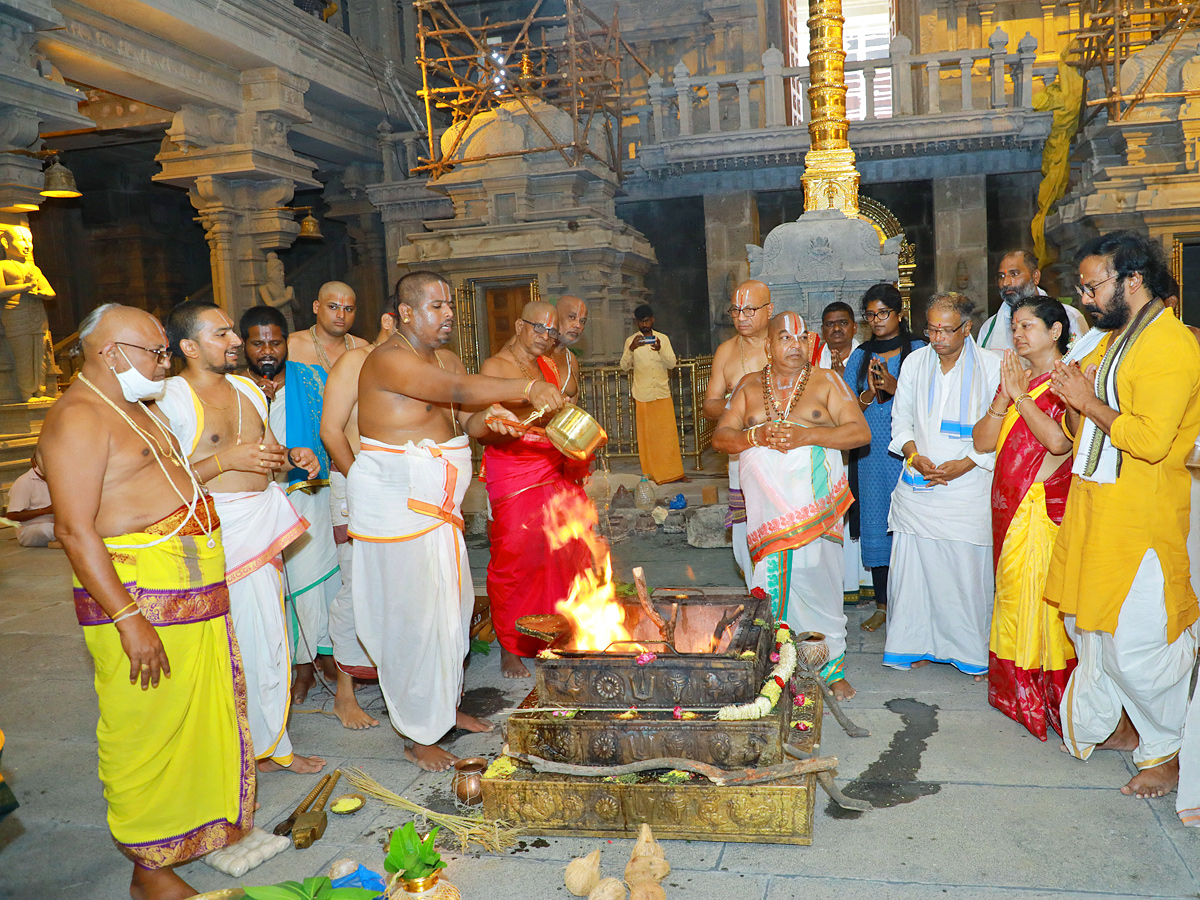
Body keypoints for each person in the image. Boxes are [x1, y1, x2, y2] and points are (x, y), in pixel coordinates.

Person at [37, 304, 251, 900]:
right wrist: (127, 619)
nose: (164, 361)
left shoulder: (138, 405)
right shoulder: (78, 417)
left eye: (164, 350)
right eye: (154, 352)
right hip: (139, 596)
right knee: (143, 729)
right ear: (109, 353)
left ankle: (185, 836)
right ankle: (147, 871)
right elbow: (75, 530)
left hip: (190, 584)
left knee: (194, 720)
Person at [352, 271, 567, 770]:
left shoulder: (443, 357)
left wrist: (489, 421)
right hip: (402, 513)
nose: (448, 314)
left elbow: (459, 418)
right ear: (406, 312)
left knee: (450, 617)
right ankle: (417, 733)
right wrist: (528, 386)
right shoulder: (389, 359)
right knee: (413, 621)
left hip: (439, 511)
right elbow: (453, 387)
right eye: (436, 306)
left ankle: (443, 711)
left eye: (450, 305)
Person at [1044, 230, 1200, 800]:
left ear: (1132, 280)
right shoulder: (1118, 340)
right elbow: (1094, 424)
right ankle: (1127, 723)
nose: (1085, 299)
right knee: (1092, 627)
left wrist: (1086, 401)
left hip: (1142, 514)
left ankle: (1170, 749)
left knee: (1135, 640)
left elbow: (1153, 440)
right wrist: (1077, 398)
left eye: (1092, 286)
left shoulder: (1169, 344)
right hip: (1100, 507)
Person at [158, 300, 325, 775]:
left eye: (233, 332)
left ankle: (271, 742)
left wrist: (294, 456)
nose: (235, 341)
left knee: (270, 639)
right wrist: (225, 460)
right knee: (233, 647)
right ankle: (240, 748)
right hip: (214, 534)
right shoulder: (169, 399)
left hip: (259, 524)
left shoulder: (248, 389)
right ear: (188, 347)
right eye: (221, 334)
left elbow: (267, 450)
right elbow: (160, 482)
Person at [713, 312, 870, 699]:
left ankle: (831, 668)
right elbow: (722, 437)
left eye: (802, 338)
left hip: (812, 507)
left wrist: (807, 436)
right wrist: (757, 433)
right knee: (767, 586)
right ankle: (773, 665)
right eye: (785, 337)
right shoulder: (749, 387)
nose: (795, 345)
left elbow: (859, 432)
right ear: (768, 346)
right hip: (768, 514)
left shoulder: (827, 381)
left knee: (821, 585)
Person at [971, 297, 1076, 740]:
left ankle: (1042, 692)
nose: (1017, 334)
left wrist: (1019, 397)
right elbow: (982, 442)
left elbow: (1058, 443)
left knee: (1035, 599)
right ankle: (1011, 688)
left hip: (1038, 509)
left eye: (1028, 326)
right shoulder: (1019, 379)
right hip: (1006, 504)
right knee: (1011, 595)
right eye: (1014, 326)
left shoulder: (1067, 380)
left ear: (1055, 331)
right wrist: (1003, 399)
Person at [884, 292, 1002, 679]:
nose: (936, 338)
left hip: (967, 490)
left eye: (945, 330)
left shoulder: (991, 366)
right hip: (918, 486)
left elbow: (1002, 431)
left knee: (965, 575)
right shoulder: (916, 362)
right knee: (914, 574)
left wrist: (966, 464)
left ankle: (966, 650)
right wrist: (913, 454)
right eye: (930, 329)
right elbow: (900, 420)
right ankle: (912, 644)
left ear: (967, 329)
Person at [481, 300, 594, 679]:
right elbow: (484, 420)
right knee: (516, 556)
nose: (546, 337)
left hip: (551, 458)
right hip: (514, 466)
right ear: (518, 325)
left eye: (550, 331)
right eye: (538, 329)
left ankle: (552, 633)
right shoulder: (496, 367)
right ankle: (510, 645)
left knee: (563, 551)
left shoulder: (547, 364)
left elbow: (560, 415)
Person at [244, 304, 341, 704]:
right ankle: (298, 667)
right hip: (260, 499)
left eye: (275, 341)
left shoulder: (311, 377)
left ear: (287, 342)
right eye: (258, 342)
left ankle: (327, 656)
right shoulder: (235, 389)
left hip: (309, 492)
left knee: (316, 581)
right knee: (279, 587)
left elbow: (331, 428)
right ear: (245, 346)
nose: (267, 350)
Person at [318, 304, 397, 729]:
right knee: (356, 585)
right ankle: (344, 695)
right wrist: (361, 479)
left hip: (401, 493)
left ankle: (393, 678)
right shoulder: (357, 361)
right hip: (356, 485)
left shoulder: (413, 365)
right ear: (390, 319)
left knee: (396, 587)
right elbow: (331, 430)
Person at [842, 284, 925, 633]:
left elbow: (929, 400)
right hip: (872, 455)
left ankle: (914, 606)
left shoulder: (919, 350)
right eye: (870, 314)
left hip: (909, 452)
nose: (876, 321)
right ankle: (882, 605)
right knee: (876, 522)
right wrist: (868, 393)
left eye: (883, 313)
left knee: (912, 527)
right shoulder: (860, 356)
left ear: (899, 313)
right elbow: (846, 407)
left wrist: (895, 387)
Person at [703, 280, 774, 589]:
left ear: (769, 310)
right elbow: (709, 405)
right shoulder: (726, 351)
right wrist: (739, 407)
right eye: (736, 309)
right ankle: (756, 596)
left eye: (750, 309)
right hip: (741, 455)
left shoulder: (786, 343)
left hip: (783, 453)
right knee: (748, 531)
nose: (741, 316)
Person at [620, 304, 687, 484]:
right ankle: (652, 475)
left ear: (653, 319)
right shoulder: (630, 341)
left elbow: (672, 364)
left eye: (647, 320)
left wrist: (660, 350)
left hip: (662, 394)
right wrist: (631, 349)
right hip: (643, 395)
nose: (645, 324)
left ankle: (675, 473)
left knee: (668, 436)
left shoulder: (663, 339)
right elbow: (624, 366)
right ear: (637, 322)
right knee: (648, 439)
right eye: (641, 322)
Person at [978, 249, 1088, 353]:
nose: (1006, 282)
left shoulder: (1070, 317)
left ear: (1035, 277)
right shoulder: (988, 329)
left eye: (1014, 274)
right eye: (1001, 276)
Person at [0, 224, 56, 400]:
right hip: (16, 315)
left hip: (37, 315)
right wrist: (25, 287)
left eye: (30, 241)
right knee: (23, 356)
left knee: (41, 355)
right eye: (22, 240)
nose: (27, 245)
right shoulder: (3, 266)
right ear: (5, 242)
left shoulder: (34, 269)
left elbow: (50, 292)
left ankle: (40, 390)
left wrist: (40, 293)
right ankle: (26, 393)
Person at [5, 457, 56, 547]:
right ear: (33, 462)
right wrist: (44, 511)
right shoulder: (24, 482)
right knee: (46, 529)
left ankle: (60, 542)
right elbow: (12, 515)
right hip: (29, 530)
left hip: (56, 523)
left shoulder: (57, 479)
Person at [551, 295, 588, 401]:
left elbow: (572, 406)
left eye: (582, 321)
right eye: (572, 317)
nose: (578, 325)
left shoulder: (571, 359)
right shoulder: (534, 353)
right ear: (556, 316)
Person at [818, 300, 859, 372]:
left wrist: (846, 378)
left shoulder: (870, 358)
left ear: (854, 327)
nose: (836, 328)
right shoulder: (811, 360)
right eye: (830, 324)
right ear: (822, 331)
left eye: (843, 323)